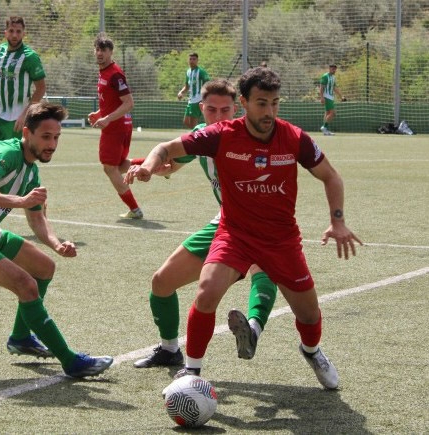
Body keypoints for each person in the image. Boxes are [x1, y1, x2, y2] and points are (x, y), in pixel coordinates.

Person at [126, 67, 362, 390]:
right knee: (206, 291)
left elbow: (331, 176)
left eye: (275, 103)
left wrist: (337, 220)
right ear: (245, 102)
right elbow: (166, 150)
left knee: (308, 314)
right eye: (262, 103)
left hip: (281, 240)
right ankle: (191, 371)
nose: (269, 112)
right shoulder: (221, 135)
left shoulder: (293, 138)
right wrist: (149, 168)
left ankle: (312, 351)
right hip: (234, 234)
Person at [0, 102, 113, 378]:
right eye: (45, 137)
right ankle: (71, 361)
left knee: (44, 267)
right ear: (27, 133)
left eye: (56, 138)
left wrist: (56, 244)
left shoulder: (32, 171)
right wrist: (21, 200)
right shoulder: (7, 153)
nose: (52, 144)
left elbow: (36, 218)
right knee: (26, 285)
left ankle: (20, 338)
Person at [131, 79, 278, 369]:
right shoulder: (200, 136)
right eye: (212, 110)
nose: (219, 117)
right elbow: (171, 160)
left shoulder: (253, 135)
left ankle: (253, 328)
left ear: (237, 109)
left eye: (226, 110)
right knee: (162, 282)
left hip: (263, 221)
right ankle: (170, 349)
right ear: (201, 109)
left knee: (261, 267)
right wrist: (150, 169)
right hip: (225, 221)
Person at [87, 34, 142, 219]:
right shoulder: (104, 72)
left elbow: (129, 103)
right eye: (97, 49)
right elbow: (112, 102)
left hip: (116, 128)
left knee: (110, 168)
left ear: (111, 52)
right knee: (118, 166)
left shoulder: (115, 74)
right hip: (119, 126)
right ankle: (157, 164)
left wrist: (108, 118)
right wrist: (99, 114)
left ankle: (135, 209)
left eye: (104, 50)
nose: (100, 53)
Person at [0, 16, 47, 156]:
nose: (15, 35)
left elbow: (41, 88)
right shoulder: (0, 50)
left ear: (24, 33)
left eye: (18, 31)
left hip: (18, 117)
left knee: (18, 157)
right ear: (5, 32)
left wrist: (26, 113)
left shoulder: (30, 57)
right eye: (11, 31)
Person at [177, 53, 210, 129]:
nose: (192, 61)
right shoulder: (188, 72)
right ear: (188, 60)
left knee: (193, 125)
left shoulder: (201, 72)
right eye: (190, 59)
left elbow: (208, 84)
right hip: (191, 100)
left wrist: (205, 96)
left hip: (198, 100)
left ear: (197, 60)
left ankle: (198, 137)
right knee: (186, 121)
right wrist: (181, 92)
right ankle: (203, 132)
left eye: (194, 59)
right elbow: (187, 86)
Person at [319, 64, 346, 136]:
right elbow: (321, 87)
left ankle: (325, 130)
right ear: (329, 69)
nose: (333, 70)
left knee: (328, 113)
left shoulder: (333, 77)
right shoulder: (325, 76)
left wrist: (341, 96)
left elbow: (334, 88)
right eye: (332, 69)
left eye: (334, 69)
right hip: (326, 97)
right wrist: (321, 97)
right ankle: (324, 127)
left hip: (331, 97)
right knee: (333, 113)